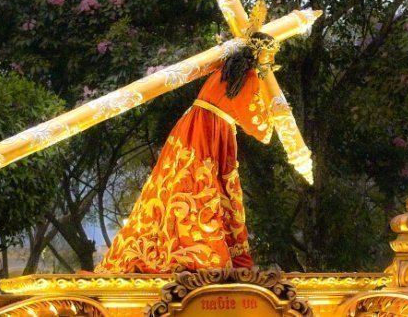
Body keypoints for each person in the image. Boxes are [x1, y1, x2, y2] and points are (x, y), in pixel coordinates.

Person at [95, 33, 278, 273]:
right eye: (270, 59)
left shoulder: (223, 71)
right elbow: (262, 131)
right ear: (261, 56)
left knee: (178, 186)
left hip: (190, 128)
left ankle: (173, 246)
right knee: (199, 189)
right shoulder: (248, 78)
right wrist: (276, 107)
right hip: (212, 136)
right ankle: (198, 255)